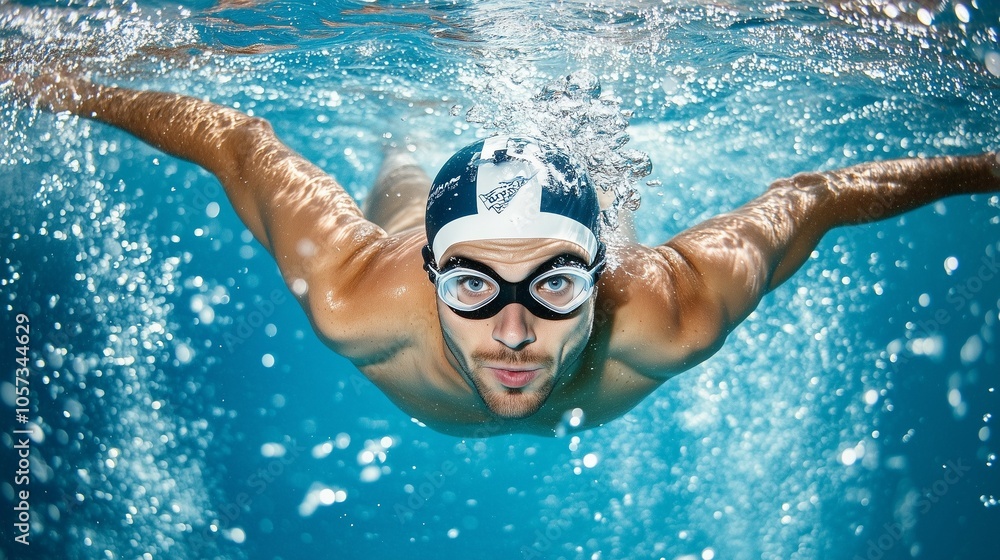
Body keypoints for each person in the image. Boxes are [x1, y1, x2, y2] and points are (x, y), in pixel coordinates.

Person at [4, 70, 999, 437]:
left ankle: (582, 150)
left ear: (598, 274)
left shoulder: (665, 310)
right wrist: (51, 79)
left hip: (589, 208)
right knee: (404, 171)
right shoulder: (360, 291)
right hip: (413, 206)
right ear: (431, 275)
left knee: (595, 167)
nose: (514, 330)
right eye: (474, 282)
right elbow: (237, 140)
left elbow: (812, 198)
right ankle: (419, 136)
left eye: (556, 283)